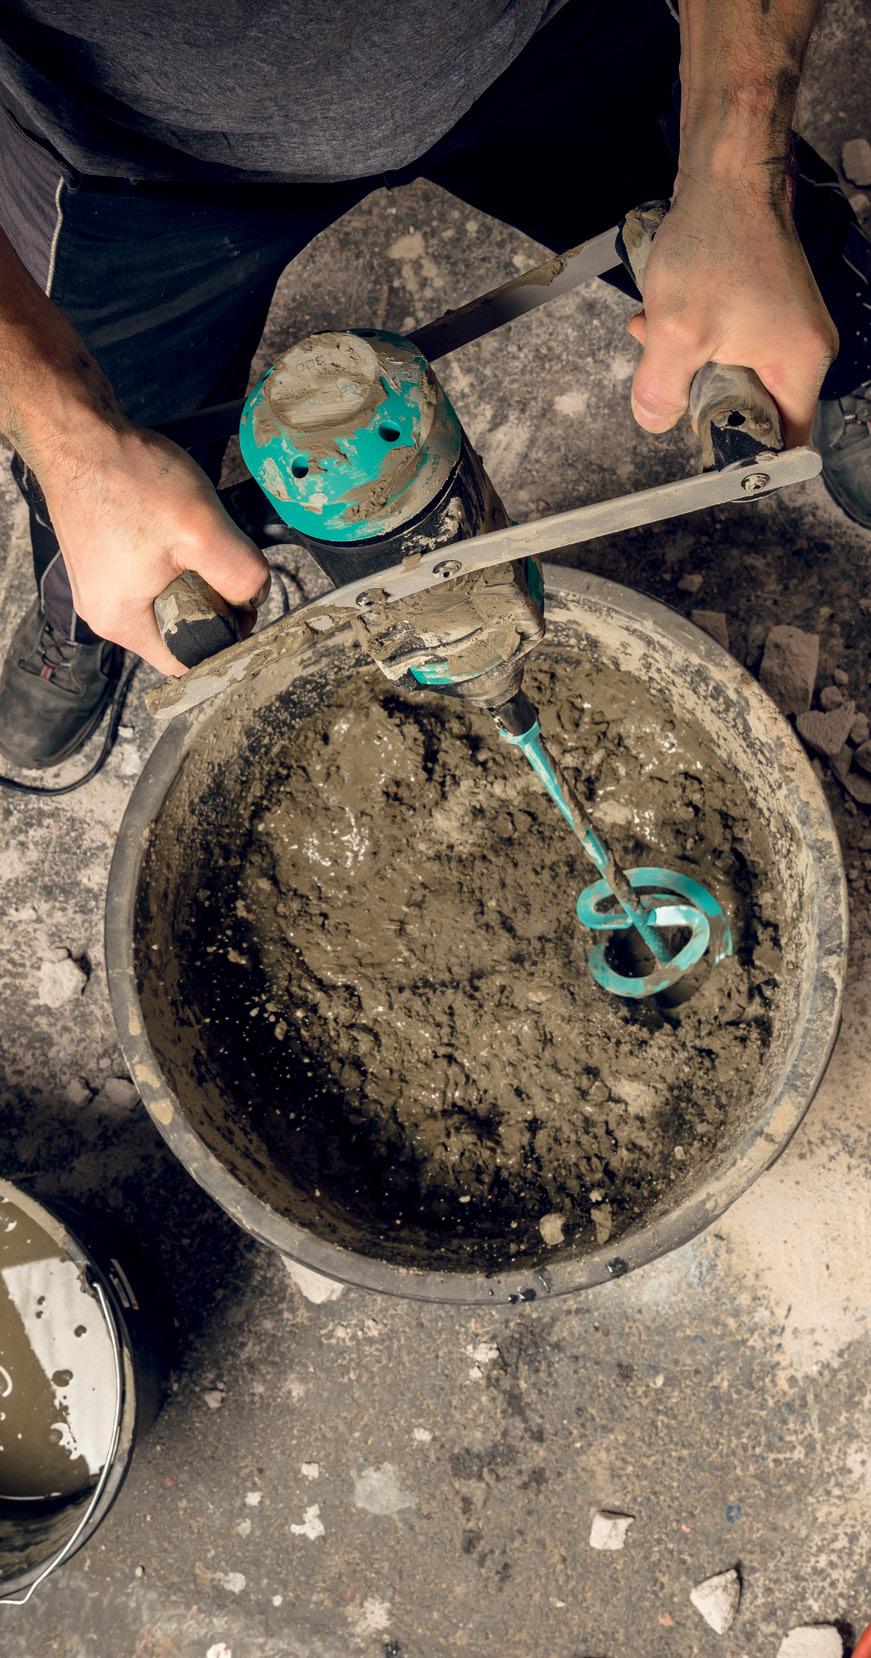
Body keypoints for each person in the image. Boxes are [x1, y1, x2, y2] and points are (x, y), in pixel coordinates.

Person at [0, 0, 867, 770]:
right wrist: (71, 444)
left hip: (529, 38)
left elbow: (733, 178)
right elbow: (75, 438)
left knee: (768, 270)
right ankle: (81, 618)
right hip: (127, 149)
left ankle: (846, 364)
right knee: (99, 468)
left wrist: (735, 169)